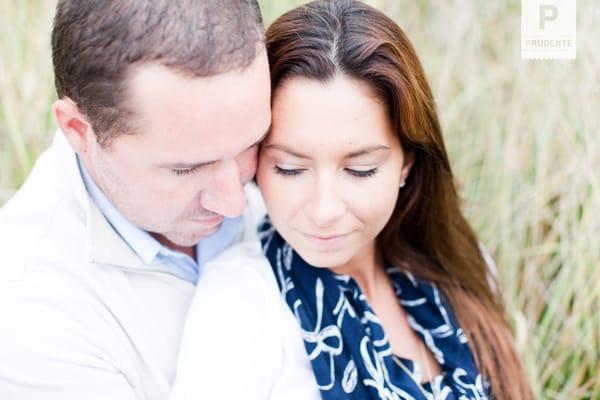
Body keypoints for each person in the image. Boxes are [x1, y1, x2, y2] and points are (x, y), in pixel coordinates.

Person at [169, 1, 533, 399]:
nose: (325, 210)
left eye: (360, 171)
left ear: (406, 164)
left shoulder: (465, 266)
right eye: (290, 168)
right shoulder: (241, 302)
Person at [0, 1, 270, 399]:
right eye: (186, 169)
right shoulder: (30, 313)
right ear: (79, 130)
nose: (236, 202)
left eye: (253, 143)